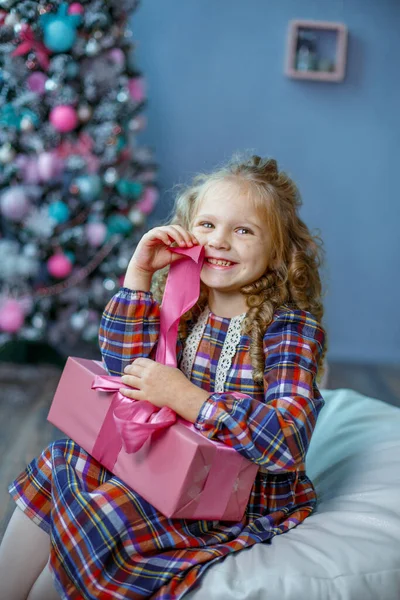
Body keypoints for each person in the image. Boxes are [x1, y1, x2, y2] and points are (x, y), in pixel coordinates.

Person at [0, 155, 326, 600]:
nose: (220, 242)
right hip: (165, 461)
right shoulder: (185, 303)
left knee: (105, 512)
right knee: (61, 460)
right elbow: (123, 370)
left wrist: (188, 398)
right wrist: (138, 275)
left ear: (278, 251)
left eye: (243, 230)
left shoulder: (287, 328)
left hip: (230, 495)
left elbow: (287, 439)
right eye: (207, 226)